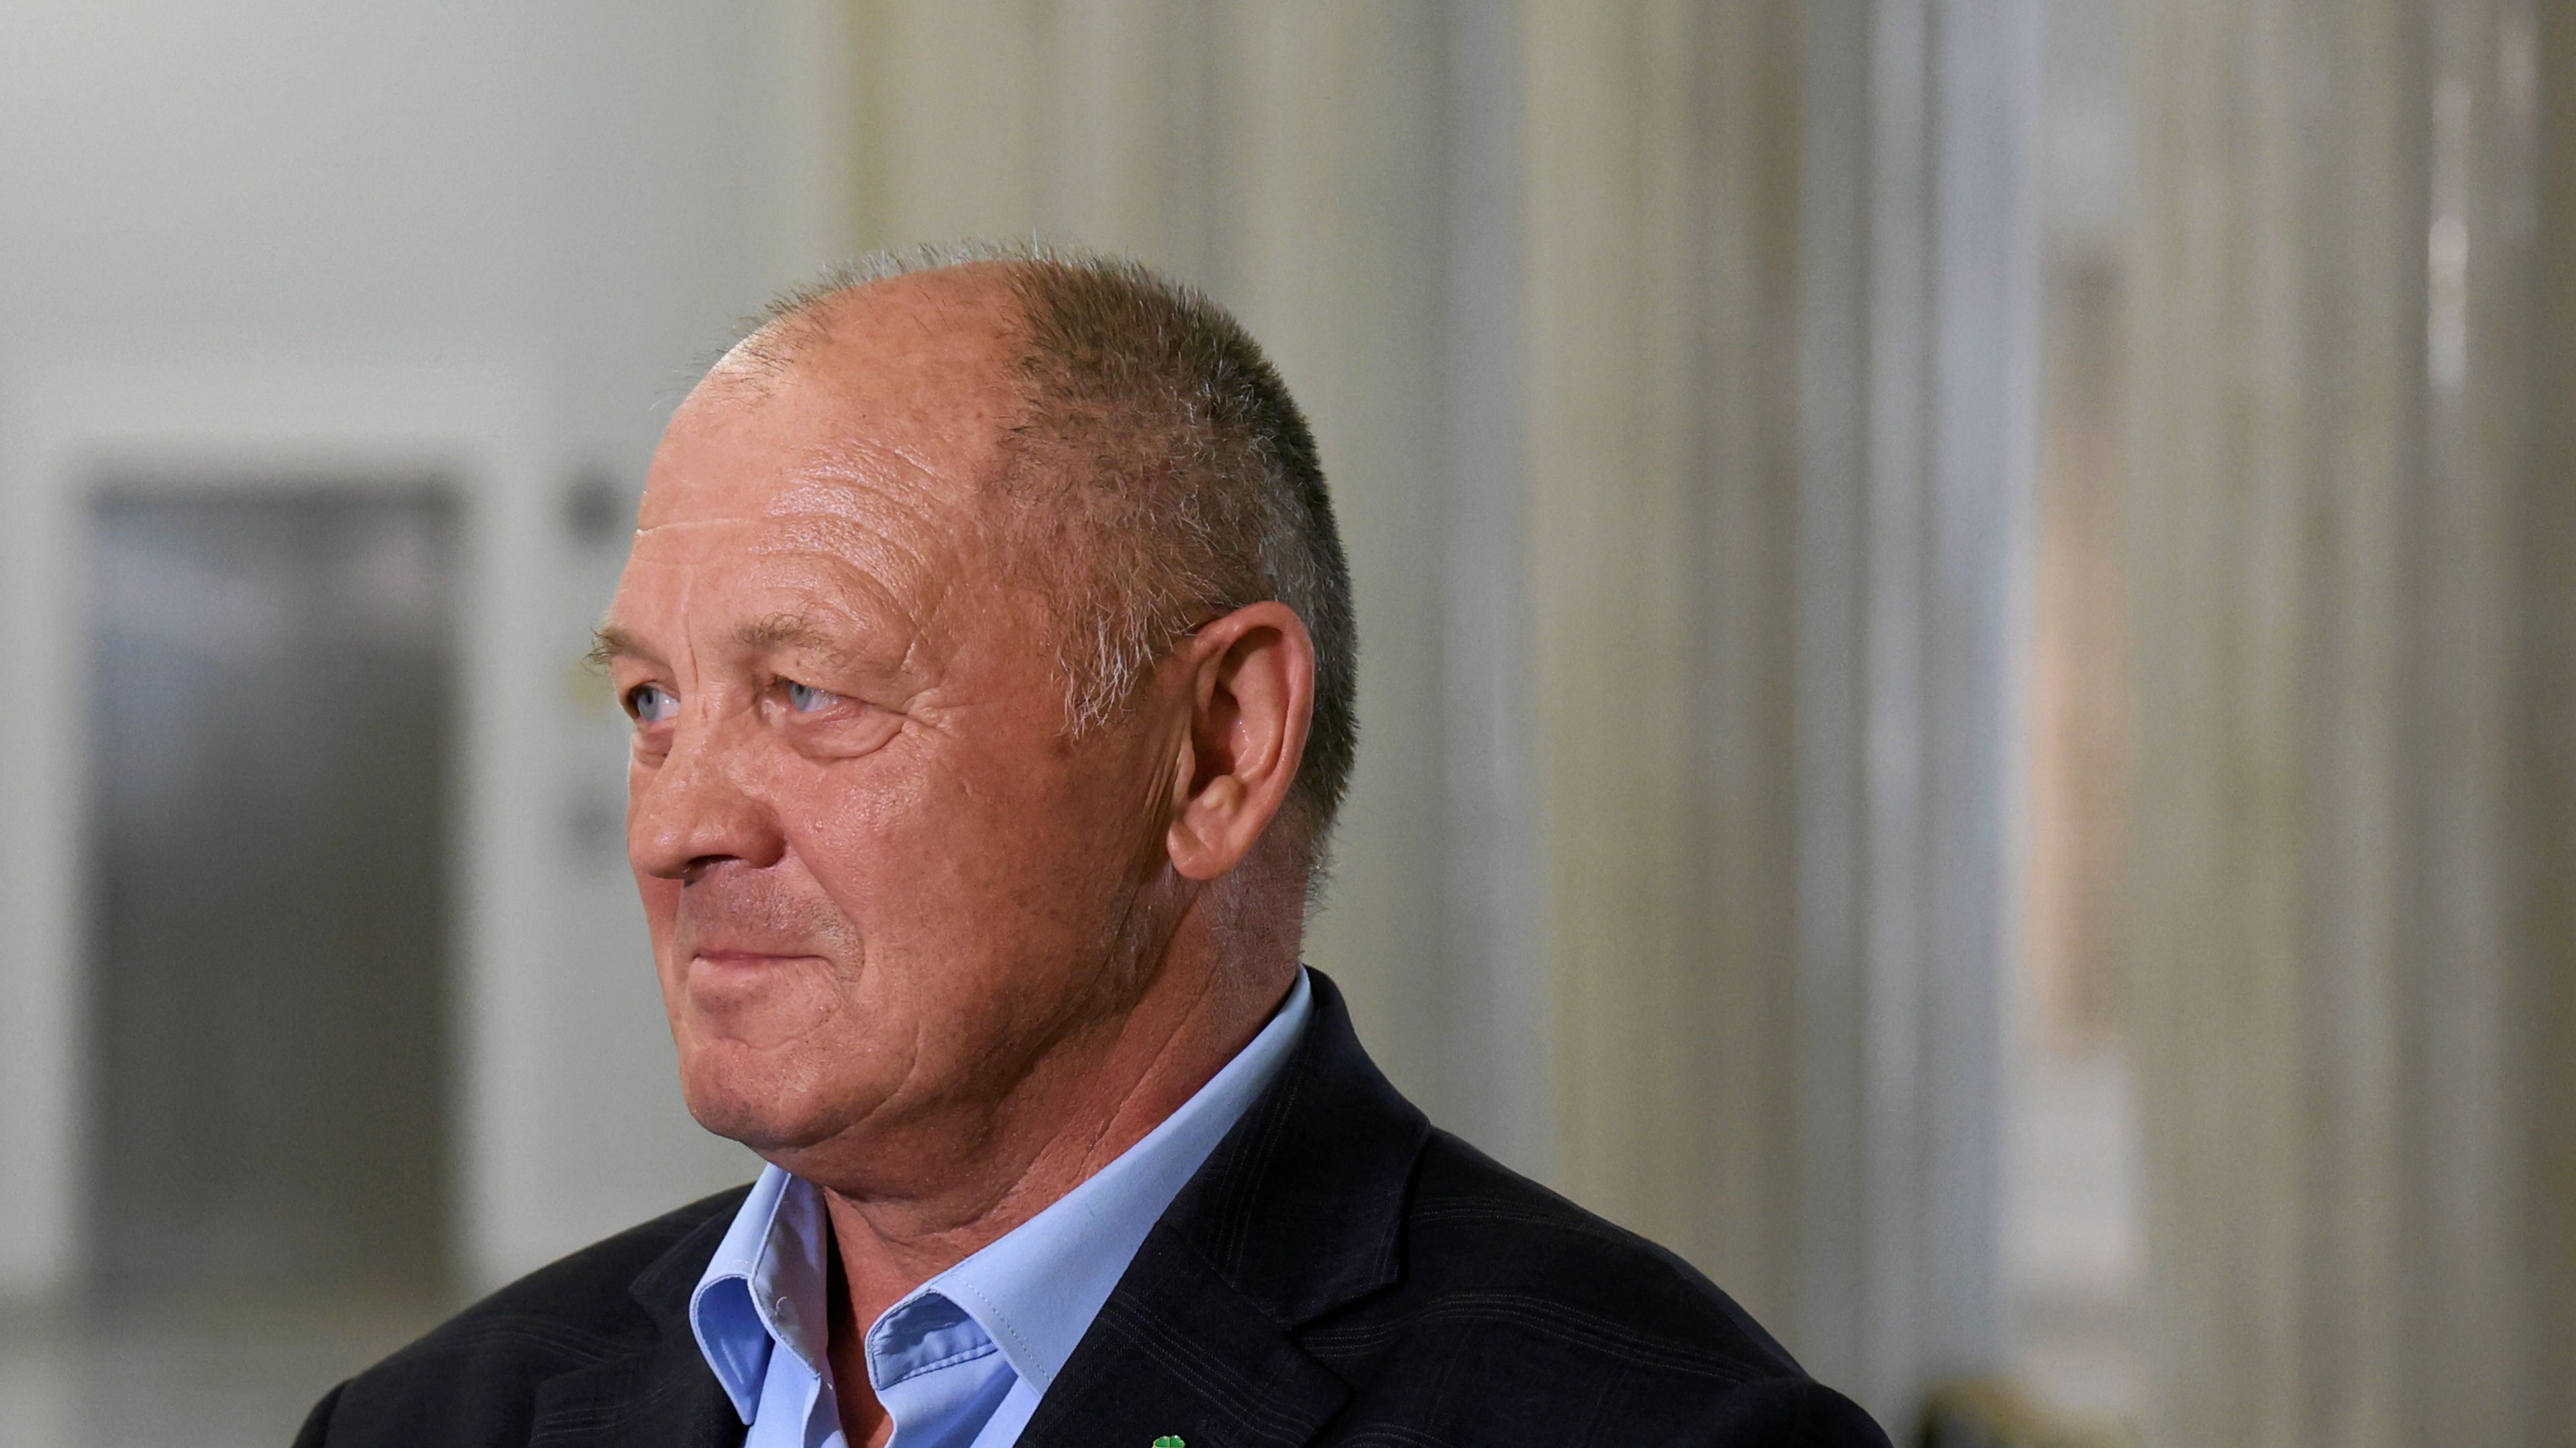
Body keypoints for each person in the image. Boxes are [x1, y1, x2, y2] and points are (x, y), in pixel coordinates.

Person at [294, 246, 1889, 1448]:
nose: (674, 825)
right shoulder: (436, 1419)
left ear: (1216, 749)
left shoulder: (1664, 1428)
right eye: (651, 700)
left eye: (807, 691)